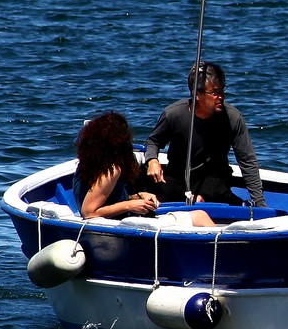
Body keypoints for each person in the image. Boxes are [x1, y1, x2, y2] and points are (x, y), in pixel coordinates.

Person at [145, 62, 268, 208]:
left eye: (222, 91)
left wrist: (260, 202)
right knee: (155, 194)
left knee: (211, 191)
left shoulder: (233, 118)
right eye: (215, 93)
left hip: (215, 178)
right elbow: (153, 141)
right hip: (179, 177)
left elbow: (247, 161)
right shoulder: (174, 114)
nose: (221, 97)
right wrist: (152, 160)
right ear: (197, 95)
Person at [73, 111, 213, 226]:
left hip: (115, 221)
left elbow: (104, 197)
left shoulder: (87, 164)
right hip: (122, 224)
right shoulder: (112, 170)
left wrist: (136, 196)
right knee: (200, 216)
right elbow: (89, 212)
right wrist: (130, 205)